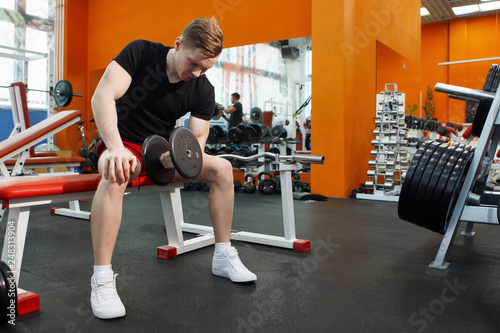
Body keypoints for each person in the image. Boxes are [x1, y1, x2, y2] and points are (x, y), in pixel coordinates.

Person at [90, 17, 256, 320]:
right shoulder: (141, 53)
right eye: (194, 64)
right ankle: (101, 278)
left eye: (206, 68)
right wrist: (114, 147)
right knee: (116, 173)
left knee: (221, 169)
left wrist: (181, 158)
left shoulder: (202, 89)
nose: (197, 73)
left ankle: (223, 254)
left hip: (160, 153)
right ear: (178, 44)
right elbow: (102, 95)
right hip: (119, 143)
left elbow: (198, 140)